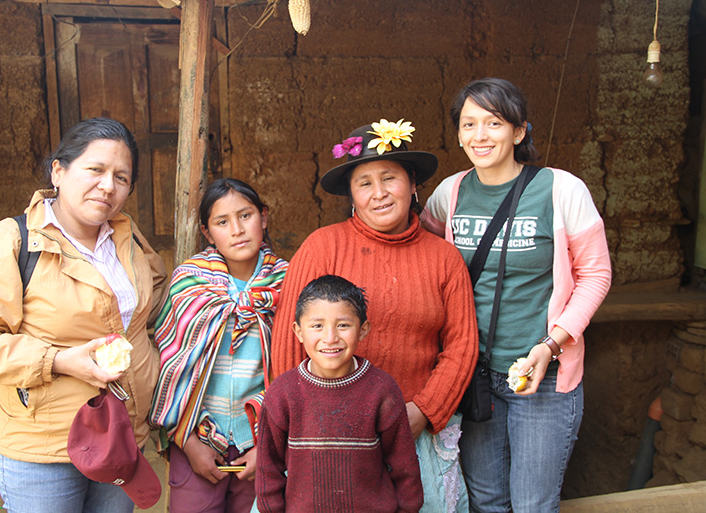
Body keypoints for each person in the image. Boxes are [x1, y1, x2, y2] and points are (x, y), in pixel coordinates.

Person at [0, 117, 168, 512]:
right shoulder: (12, 241)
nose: (108, 186)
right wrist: (59, 360)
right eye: (95, 169)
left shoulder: (125, 235)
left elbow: (152, 300)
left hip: (123, 433)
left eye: (121, 177)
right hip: (45, 448)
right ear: (59, 172)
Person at [422, 77, 612, 512]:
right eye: (468, 125)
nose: (480, 136)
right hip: (476, 376)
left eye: (493, 123)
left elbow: (596, 274)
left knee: (532, 503)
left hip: (541, 376)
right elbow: (423, 261)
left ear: (519, 131)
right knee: (486, 500)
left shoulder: (561, 189)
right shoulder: (448, 195)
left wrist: (552, 343)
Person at [271, 118, 479, 512]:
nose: (379, 193)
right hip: (327, 434)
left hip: (415, 430)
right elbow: (288, 341)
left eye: (390, 178)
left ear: (413, 184)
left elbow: (462, 346)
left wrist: (421, 412)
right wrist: (303, 422)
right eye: (364, 183)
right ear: (351, 193)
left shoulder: (444, 259)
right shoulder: (322, 248)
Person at [150, 178, 288, 513]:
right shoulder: (189, 282)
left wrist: (267, 447)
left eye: (246, 215)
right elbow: (169, 362)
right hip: (197, 437)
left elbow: (295, 368)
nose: (237, 230)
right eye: (222, 222)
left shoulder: (289, 281)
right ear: (208, 233)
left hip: (260, 440)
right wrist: (187, 441)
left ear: (264, 217)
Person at [256, 274, 424, 512]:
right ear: (299, 331)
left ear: (363, 330)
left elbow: (404, 464)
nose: (330, 338)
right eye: (317, 326)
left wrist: (409, 508)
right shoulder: (283, 393)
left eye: (343, 325)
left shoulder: (382, 389)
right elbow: (267, 467)